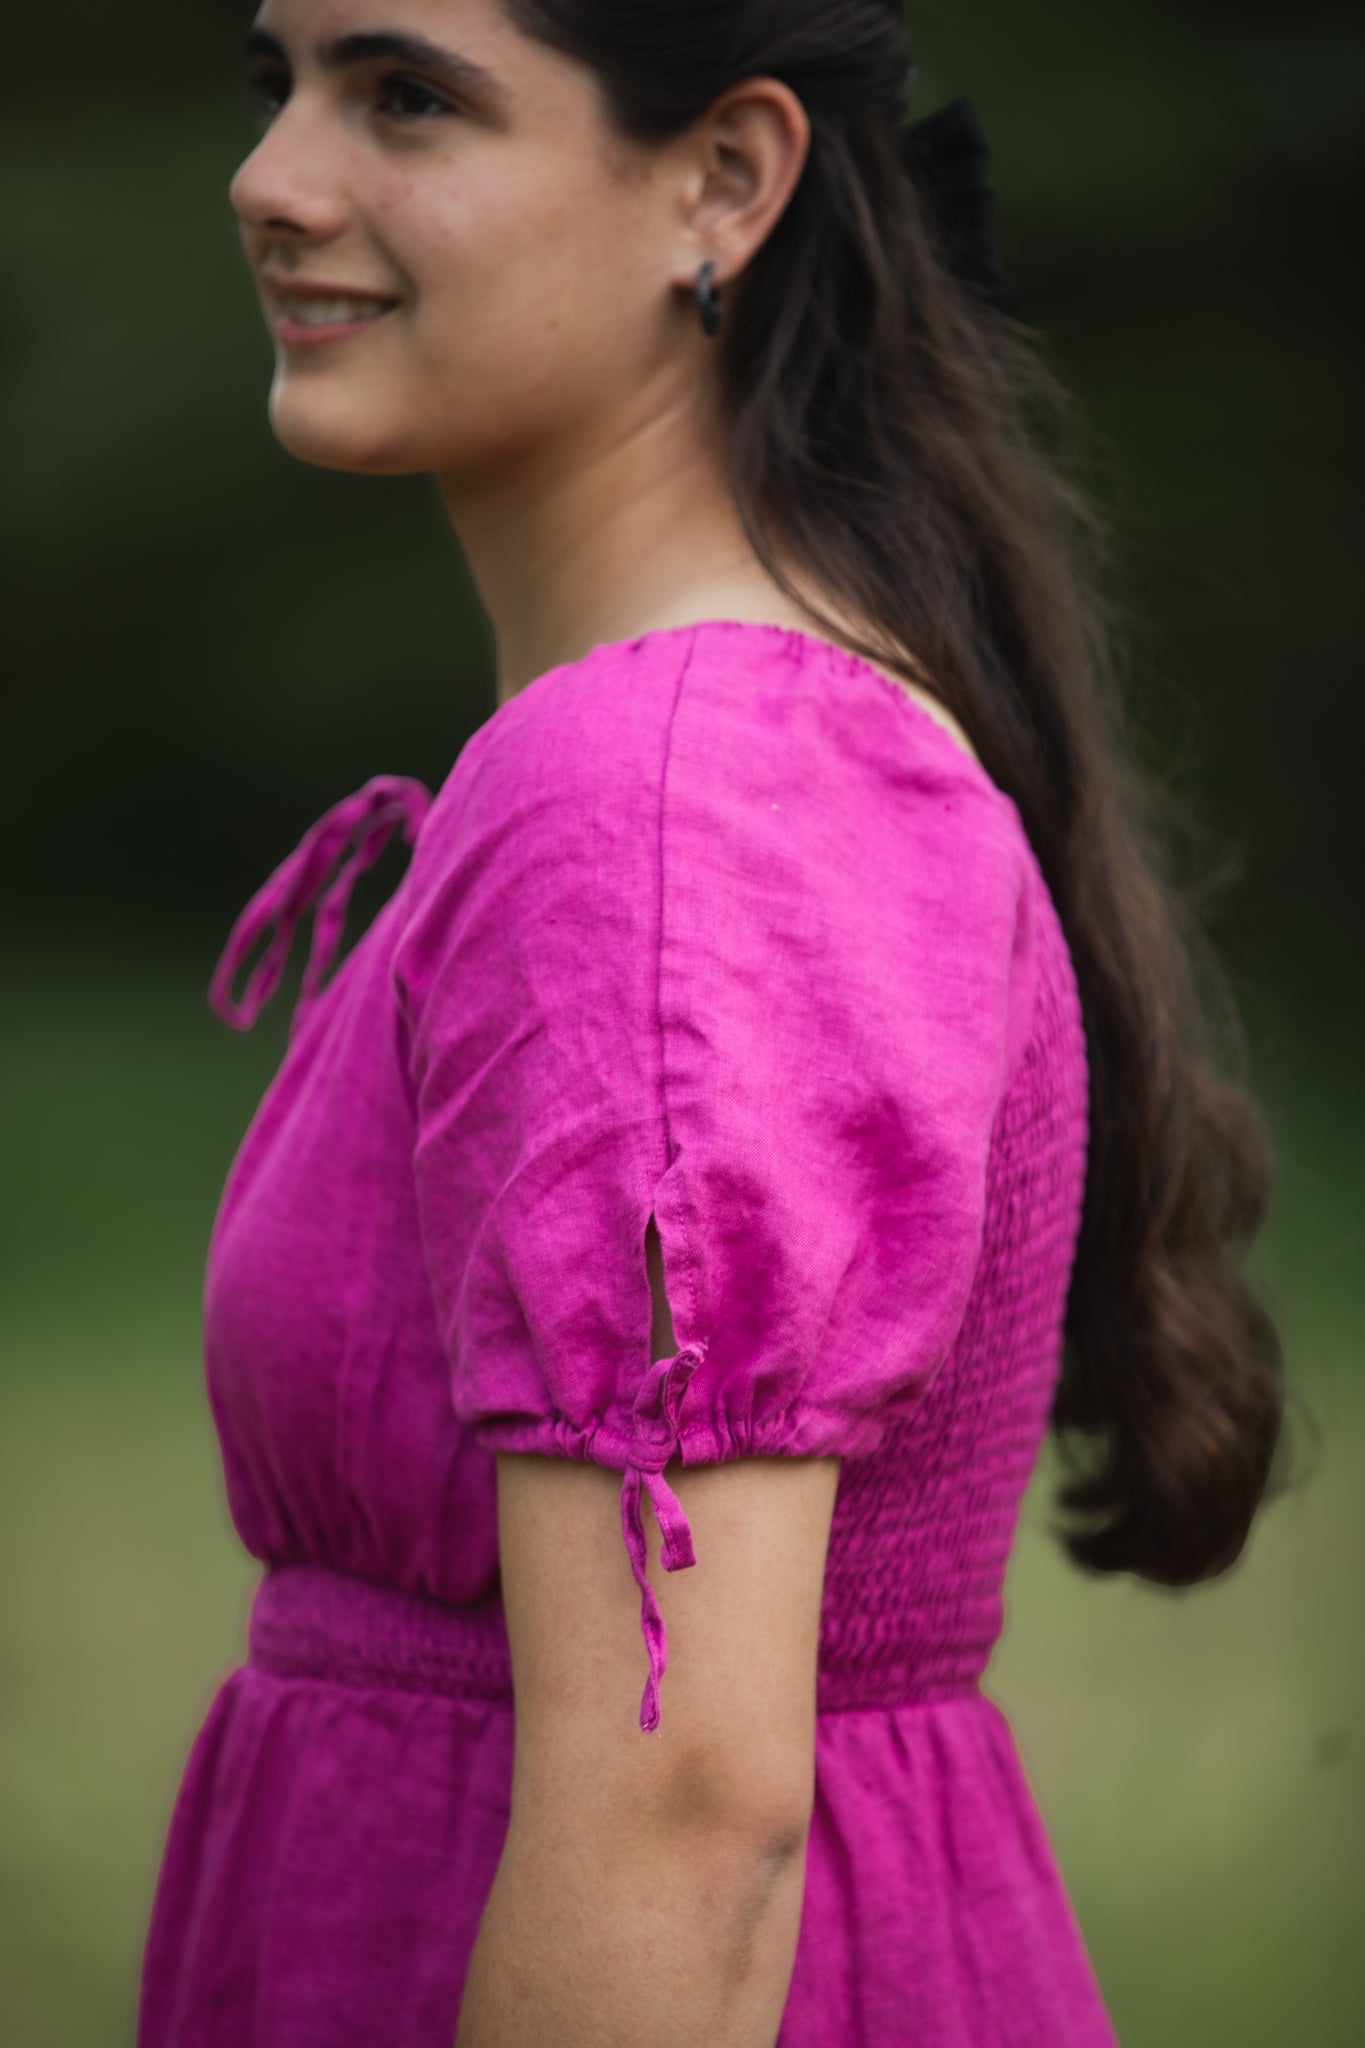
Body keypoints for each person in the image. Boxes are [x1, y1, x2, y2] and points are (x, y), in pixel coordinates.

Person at [137, 3, 1288, 2044]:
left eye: (404, 93)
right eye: (279, 83)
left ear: (725, 181)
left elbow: (678, 1813)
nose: (274, 179)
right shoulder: (654, 759)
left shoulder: (678, 793)